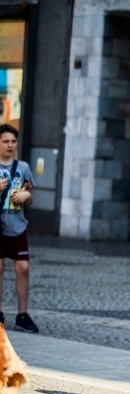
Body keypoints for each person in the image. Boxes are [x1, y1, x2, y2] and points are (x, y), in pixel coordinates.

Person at [0, 124, 37, 333]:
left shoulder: (22, 168)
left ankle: (22, 314)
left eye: (13, 141)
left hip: (17, 224)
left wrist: (27, 197)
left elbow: (29, 194)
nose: (10, 145)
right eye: (6, 141)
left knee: (23, 268)